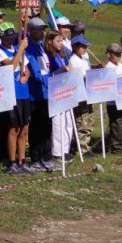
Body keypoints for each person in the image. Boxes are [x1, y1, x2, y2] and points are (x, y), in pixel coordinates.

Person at [0, 25, 33, 175]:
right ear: (1, 38)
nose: (11, 41)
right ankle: (12, 161)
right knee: (13, 128)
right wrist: (21, 49)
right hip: (11, 93)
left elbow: (26, 67)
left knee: (24, 129)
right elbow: (10, 67)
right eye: (7, 38)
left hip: (24, 93)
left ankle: (22, 160)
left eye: (12, 38)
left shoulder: (17, 48)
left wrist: (26, 75)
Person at [25, 18, 54, 171]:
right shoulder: (29, 47)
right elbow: (35, 72)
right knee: (37, 126)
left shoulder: (40, 47)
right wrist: (48, 81)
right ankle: (36, 158)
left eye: (43, 29)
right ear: (30, 30)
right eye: (38, 29)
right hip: (35, 94)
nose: (42, 32)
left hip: (46, 93)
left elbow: (46, 69)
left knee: (46, 126)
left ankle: (47, 156)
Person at [46, 31, 74, 163]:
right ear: (50, 41)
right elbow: (49, 74)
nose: (61, 43)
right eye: (58, 41)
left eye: (62, 41)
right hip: (55, 93)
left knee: (68, 121)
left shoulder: (60, 55)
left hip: (65, 91)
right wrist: (62, 70)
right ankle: (58, 151)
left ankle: (66, 149)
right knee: (58, 123)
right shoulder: (48, 55)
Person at [69, 35, 93, 155]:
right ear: (75, 47)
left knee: (89, 121)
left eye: (85, 47)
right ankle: (81, 148)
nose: (84, 49)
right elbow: (75, 76)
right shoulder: (73, 60)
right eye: (82, 47)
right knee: (81, 122)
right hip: (79, 95)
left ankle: (86, 145)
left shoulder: (83, 60)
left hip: (87, 93)